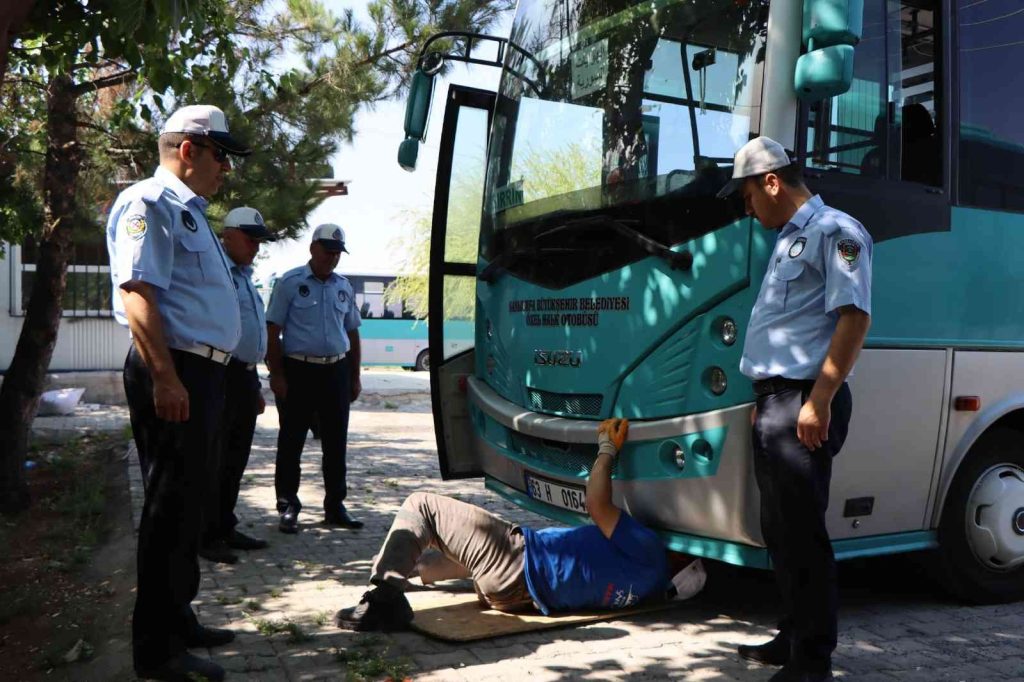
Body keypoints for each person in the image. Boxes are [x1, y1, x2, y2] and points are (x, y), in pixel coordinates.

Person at [717, 137, 872, 682]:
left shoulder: (838, 233)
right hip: (778, 403)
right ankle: (792, 634)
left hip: (807, 400)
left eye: (746, 195)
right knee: (779, 528)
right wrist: (766, 402)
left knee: (803, 532)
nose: (746, 207)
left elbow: (854, 319)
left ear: (772, 182)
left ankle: (813, 663)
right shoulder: (789, 240)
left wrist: (818, 401)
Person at [107, 104, 252, 682]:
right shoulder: (149, 203)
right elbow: (137, 291)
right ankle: (157, 653)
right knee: (168, 509)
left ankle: (179, 618)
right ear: (188, 149)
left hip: (205, 374)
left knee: (191, 505)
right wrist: (165, 376)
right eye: (222, 154)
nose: (226, 169)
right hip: (174, 371)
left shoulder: (192, 214)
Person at [334, 419, 707, 631]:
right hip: (516, 598)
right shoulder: (649, 588)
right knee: (463, 548)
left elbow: (596, 504)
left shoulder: (650, 551)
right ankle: (417, 571)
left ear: (677, 562)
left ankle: (384, 600)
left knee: (423, 506)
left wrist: (607, 449)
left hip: (516, 563)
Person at [265, 223, 363, 533]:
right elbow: (272, 331)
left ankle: (335, 505)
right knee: (291, 441)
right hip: (298, 372)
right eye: (327, 251)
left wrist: (354, 375)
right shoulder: (290, 283)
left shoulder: (344, 287)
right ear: (312, 248)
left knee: (336, 444)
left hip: (336, 371)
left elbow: (352, 332)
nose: (332, 258)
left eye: (337, 253)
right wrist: (277, 373)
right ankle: (288, 505)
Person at [199, 207, 276, 565]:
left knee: (235, 459)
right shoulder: (215, 272)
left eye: (259, 241)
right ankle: (206, 535)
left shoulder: (244, 275)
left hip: (244, 376)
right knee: (212, 458)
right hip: (220, 373)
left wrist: (255, 383)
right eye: (250, 239)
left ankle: (224, 525)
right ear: (227, 235)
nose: (255, 247)